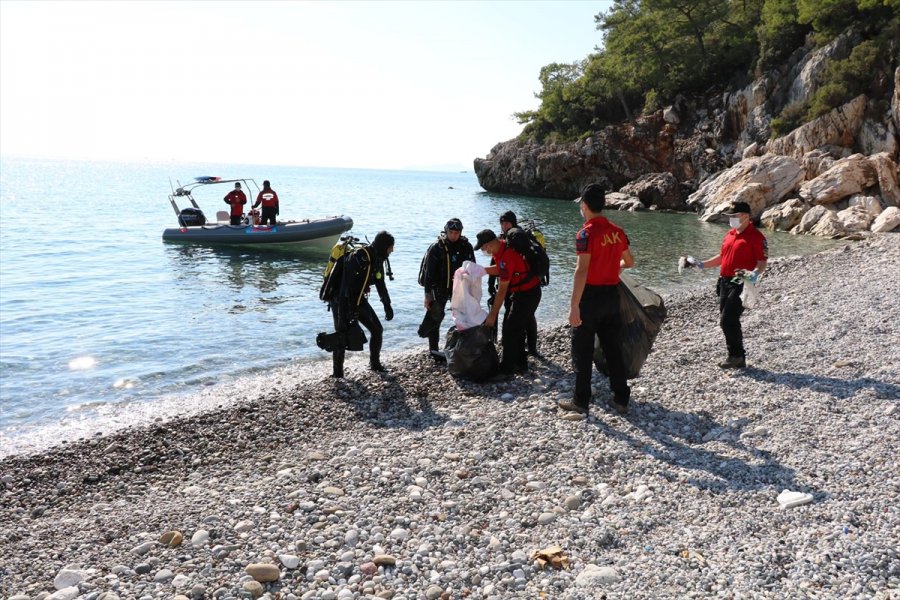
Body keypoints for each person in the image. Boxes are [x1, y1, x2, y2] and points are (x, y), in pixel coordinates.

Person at [561, 183, 635, 416]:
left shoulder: (585, 234)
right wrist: (614, 268)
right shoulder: (618, 231)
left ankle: (580, 401)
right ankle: (621, 397)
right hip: (611, 296)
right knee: (613, 348)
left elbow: (581, 270)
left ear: (584, 206)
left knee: (582, 351)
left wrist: (574, 306)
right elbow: (629, 262)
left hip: (590, 298)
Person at [690, 201, 768, 369]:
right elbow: (721, 257)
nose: (731, 219)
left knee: (728, 320)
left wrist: (754, 273)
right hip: (724, 282)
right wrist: (701, 264)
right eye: (730, 216)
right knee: (728, 320)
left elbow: (762, 262)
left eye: (734, 216)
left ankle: (736, 356)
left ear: (745, 216)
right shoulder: (730, 234)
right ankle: (737, 356)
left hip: (742, 283)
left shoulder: (757, 237)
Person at [476, 228, 542, 379]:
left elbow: (502, 290)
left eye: (484, 248)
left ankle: (506, 370)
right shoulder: (504, 247)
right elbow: (500, 269)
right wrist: (480, 270)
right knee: (516, 328)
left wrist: (492, 315)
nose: (484, 251)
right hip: (525, 292)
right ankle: (521, 365)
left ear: (489, 244)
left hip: (528, 294)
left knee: (510, 331)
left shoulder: (506, 257)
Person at [331, 231, 395, 377]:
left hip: (358, 300)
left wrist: (387, 305)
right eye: (390, 248)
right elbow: (345, 286)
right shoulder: (359, 258)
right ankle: (338, 373)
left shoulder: (378, 259)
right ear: (383, 246)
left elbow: (380, 284)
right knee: (342, 335)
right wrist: (345, 312)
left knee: (377, 330)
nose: (391, 251)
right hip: (340, 299)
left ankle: (375, 364)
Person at [421, 218, 475, 356]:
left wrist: (472, 291)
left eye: (456, 233)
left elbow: (472, 269)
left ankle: (462, 347)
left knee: (463, 318)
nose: (453, 235)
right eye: (451, 232)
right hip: (439, 289)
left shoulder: (466, 246)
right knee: (435, 319)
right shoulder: (437, 248)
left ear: (460, 233)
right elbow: (429, 274)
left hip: (460, 288)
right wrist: (427, 295)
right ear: (446, 231)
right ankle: (433, 350)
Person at [489, 211, 540, 357]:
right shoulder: (500, 240)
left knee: (526, 318)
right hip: (508, 285)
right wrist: (491, 283)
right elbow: (495, 263)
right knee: (512, 318)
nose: (504, 226)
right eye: (502, 223)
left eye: (507, 223)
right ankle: (513, 349)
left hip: (522, 286)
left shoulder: (519, 239)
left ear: (513, 223)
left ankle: (530, 348)